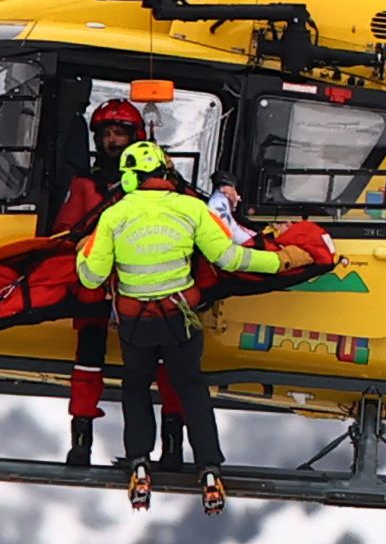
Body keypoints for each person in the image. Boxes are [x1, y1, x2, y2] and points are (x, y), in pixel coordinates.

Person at [76, 141, 315, 513]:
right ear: (165, 172)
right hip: (179, 319)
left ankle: (139, 461)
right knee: (191, 387)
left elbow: (91, 278)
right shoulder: (191, 209)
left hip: (135, 325)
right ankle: (209, 468)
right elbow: (230, 257)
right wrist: (280, 262)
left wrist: (82, 252)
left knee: (136, 386)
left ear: (128, 177)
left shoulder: (114, 216)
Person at [59, 99, 147, 467]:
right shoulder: (86, 184)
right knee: (87, 361)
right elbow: (64, 229)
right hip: (98, 288)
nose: (112, 141)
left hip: (142, 287)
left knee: (149, 367)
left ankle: (157, 447)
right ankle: (81, 439)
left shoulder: (155, 184)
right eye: (106, 134)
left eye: (119, 134)